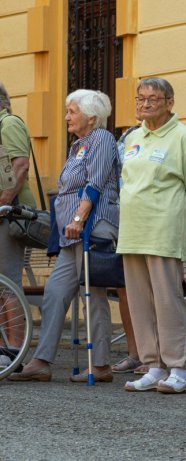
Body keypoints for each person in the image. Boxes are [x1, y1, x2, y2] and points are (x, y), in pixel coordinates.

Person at [9, 90, 119, 382]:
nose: (67, 116)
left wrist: (78, 218)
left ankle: (102, 365)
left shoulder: (102, 139)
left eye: (72, 111)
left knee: (93, 297)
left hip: (92, 227)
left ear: (91, 117)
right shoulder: (78, 145)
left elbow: (94, 184)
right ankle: (42, 361)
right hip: (71, 234)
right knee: (56, 293)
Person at [118, 77, 186, 394]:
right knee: (140, 302)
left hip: (164, 230)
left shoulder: (183, 137)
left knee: (168, 301)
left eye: (152, 99)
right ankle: (153, 365)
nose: (144, 104)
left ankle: (178, 367)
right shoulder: (133, 138)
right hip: (133, 231)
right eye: (140, 98)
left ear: (170, 103)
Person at [0, 82, 37, 352]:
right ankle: (4, 348)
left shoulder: (9, 123)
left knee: (8, 280)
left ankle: (15, 349)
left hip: (10, 214)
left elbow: (20, 166)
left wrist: (2, 204)